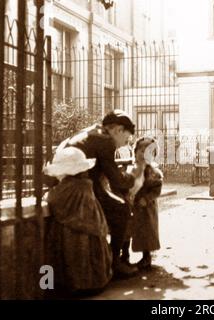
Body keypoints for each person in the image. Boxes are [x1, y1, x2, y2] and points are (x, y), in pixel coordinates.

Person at [60, 109, 143, 278]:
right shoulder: (105, 140)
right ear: (117, 130)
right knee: (121, 209)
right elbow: (116, 180)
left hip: (66, 183)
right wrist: (133, 176)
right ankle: (115, 262)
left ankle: (111, 258)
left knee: (116, 203)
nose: (124, 144)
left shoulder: (93, 132)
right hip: (79, 187)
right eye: (126, 139)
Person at [44, 147, 112, 295]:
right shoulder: (85, 185)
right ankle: (95, 282)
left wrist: (47, 195)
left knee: (72, 253)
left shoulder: (68, 188)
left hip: (71, 232)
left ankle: (73, 285)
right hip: (91, 226)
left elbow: (53, 200)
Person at [121, 137, 163, 270]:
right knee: (126, 230)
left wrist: (147, 198)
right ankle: (124, 255)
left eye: (149, 152)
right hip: (130, 206)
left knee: (146, 232)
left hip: (146, 208)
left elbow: (156, 189)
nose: (144, 154)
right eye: (141, 150)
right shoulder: (131, 170)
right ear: (135, 152)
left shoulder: (153, 173)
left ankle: (146, 257)